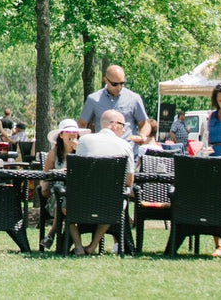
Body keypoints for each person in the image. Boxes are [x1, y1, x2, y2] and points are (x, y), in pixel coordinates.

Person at [68, 109, 134, 255]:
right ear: (114, 125)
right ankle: (92, 246)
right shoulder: (124, 145)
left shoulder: (84, 141)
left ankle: (78, 246)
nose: (124, 129)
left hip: (80, 202)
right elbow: (129, 181)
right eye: (123, 125)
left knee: (66, 204)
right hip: (109, 204)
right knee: (115, 200)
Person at [78, 65, 152, 149]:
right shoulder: (93, 99)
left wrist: (142, 135)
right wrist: (86, 143)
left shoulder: (134, 99)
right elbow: (82, 124)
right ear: (106, 80)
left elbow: (145, 123)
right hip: (102, 149)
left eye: (122, 83)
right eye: (115, 84)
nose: (119, 87)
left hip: (127, 149)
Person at [40, 119, 84, 250]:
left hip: (78, 193)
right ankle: (78, 246)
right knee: (64, 206)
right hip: (57, 192)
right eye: (68, 132)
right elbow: (46, 175)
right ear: (61, 135)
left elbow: (87, 172)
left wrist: (80, 151)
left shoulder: (83, 151)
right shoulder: (54, 153)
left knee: (65, 207)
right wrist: (46, 184)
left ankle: (51, 234)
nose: (72, 134)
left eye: (74, 132)